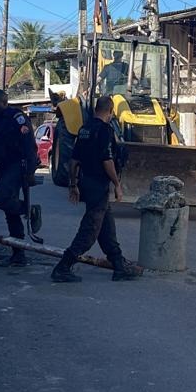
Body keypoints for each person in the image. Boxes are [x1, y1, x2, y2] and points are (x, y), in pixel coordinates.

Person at [51, 96, 141, 283]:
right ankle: (63, 266)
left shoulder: (84, 129)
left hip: (86, 182)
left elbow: (74, 160)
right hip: (98, 184)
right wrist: (117, 184)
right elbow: (106, 160)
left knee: (106, 225)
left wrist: (73, 184)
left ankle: (118, 265)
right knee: (90, 229)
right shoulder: (105, 131)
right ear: (111, 110)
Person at [0, 89, 39, 267]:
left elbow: (30, 145)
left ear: (4, 102)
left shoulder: (17, 118)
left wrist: (30, 172)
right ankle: (18, 252)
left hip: (17, 166)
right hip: (2, 168)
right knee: (10, 212)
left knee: (0, 199)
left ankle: (28, 210)